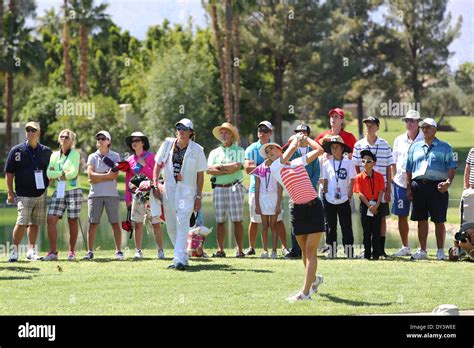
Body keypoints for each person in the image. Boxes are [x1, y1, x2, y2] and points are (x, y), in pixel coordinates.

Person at [260, 133, 325, 302]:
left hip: (314, 208)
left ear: (279, 149)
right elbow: (291, 150)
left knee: (310, 251)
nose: (269, 152)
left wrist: (306, 138)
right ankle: (315, 280)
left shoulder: (297, 162)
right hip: (298, 211)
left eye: (271, 148)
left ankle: (305, 293)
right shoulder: (275, 168)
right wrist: (296, 141)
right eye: (267, 152)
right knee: (304, 251)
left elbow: (319, 150)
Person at [153, 118, 207, 270]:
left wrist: (198, 196)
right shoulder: (167, 144)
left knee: (182, 222)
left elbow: (201, 175)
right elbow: (158, 165)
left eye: (184, 129)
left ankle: (178, 260)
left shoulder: (197, 150)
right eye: (179, 128)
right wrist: (155, 183)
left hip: (187, 192)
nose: (181, 131)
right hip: (169, 189)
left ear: (191, 132)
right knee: (171, 225)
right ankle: (182, 256)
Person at [406, 118, 457, 260]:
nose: (425, 129)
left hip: (438, 187)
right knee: (421, 219)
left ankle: (440, 251)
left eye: (428, 127)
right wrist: (408, 187)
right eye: (423, 127)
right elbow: (408, 169)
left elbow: (451, 167)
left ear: (435, 129)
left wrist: (448, 183)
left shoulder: (445, 147)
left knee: (439, 220)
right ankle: (422, 250)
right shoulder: (415, 147)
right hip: (418, 186)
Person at [5, 122, 52, 262]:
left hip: (40, 193)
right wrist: (10, 192)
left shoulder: (46, 151)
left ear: (38, 133)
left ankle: (31, 251)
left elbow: (51, 169)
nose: (30, 132)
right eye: (28, 130)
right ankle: (14, 251)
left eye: (33, 130)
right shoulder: (16, 150)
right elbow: (9, 172)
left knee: (34, 223)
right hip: (23, 193)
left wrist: (49, 182)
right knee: (21, 222)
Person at [243, 121, 289, 256]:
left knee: (278, 220)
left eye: (265, 130)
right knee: (255, 220)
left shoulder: (276, 148)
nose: (262, 133)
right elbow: (248, 169)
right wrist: (266, 165)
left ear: (270, 133)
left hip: (274, 191)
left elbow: (281, 167)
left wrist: (261, 166)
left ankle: (284, 248)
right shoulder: (251, 149)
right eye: (260, 130)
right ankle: (252, 248)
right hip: (256, 190)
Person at [353, 116, 395, 258]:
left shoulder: (384, 144)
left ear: (377, 127)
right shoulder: (359, 144)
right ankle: (367, 250)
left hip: (380, 189)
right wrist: (362, 184)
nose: (368, 127)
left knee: (381, 218)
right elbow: (356, 167)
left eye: (371, 124)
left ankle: (380, 249)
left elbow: (389, 168)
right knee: (366, 219)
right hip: (366, 190)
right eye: (366, 124)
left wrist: (388, 189)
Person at [42, 129, 82, 261]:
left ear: (72, 141)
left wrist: (57, 172)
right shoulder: (54, 155)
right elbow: (49, 173)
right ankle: (53, 252)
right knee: (51, 219)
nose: (64, 139)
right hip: (59, 190)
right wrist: (62, 173)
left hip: (73, 190)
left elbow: (73, 173)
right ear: (59, 139)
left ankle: (71, 252)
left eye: (67, 137)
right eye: (62, 137)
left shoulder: (75, 154)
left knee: (72, 220)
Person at [207, 122, 246, 258]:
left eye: (226, 132)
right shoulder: (214, 152)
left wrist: (220, 168)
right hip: (219, 189)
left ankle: (240, 250)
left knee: (237, 220)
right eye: (221, 133)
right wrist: (226, 169)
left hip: (235, 187)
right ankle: (220, 250)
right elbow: (210, 170)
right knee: (220, 221)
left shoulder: (240, 151)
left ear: (231, 135)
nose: (223, 135)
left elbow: (237, 167)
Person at [84, 131, 123, 260]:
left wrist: (97, 177)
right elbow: (90, 175)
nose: (100, 140)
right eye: (98, 138)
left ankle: (118, 251)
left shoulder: (116, 156)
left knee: (115, 223)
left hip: (111, 194)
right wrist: (106, 176)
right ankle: (89, 252)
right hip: (95, 195)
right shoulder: (92, 157)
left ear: (109, 142)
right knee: (92, 223)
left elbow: (115, 175)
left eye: (103, 138)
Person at [125, 131, 165, 260]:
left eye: (137, 140)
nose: (134, 143)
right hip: (137, 195)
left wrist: (144, 165)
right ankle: (138, 251)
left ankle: (160, 251)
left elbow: (156, 176)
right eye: (132, 141)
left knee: (155, 223)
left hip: (151, 193)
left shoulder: (151, 156)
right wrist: (127, 199)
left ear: (143, 142)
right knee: (137, 223)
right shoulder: (129, 160)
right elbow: (128, 181)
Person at [284, 124, 321, 259]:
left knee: (311, 222)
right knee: (296, 222)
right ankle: (295, 250)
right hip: (295, 192)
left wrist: (307, 186)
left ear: (308, 134)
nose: (300, 134)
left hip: (310, 192)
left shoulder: (313, 150)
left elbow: (316, 172)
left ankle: (308, 249)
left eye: (303, 132)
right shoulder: (292, 152)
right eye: (298, 132)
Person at [391, 110, 424, 257]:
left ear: (418, 123)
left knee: (420, 216)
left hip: (418, 184)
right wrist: (392, 177)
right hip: (400, 183)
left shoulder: (424, 139)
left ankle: (422, 249)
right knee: (401, 215)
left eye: (412, 121)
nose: (409, 123)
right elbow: (393, 161)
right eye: (407, 121)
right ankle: (405, 247)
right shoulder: (398, 140)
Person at [320, 135, 355, 258]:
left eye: (337, 147)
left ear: (342, 149)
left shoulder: (349, 163)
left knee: (346, 226)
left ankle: (349, 252)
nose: (334, 150)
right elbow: (325, 181)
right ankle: (331, 251)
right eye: (332, 148)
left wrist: (350, 194)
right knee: (330, 226)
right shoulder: (326, 163)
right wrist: (325, 194)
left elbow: (352, 180)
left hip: (344, 198)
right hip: (329, 199)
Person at [353, 150, 385, 260]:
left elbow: (381, 191)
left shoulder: (380, 176)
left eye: (368, 161)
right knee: (366, 232)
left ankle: (376, 254)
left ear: (374, 163)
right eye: (363, 161)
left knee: (376, 231)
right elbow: (360, 193)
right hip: (365, 204)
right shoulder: (358, 177)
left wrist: (376, 206)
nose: (365, 163)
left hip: (377, 204)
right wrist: (369, 206)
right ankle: (367, 255)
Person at [253, 158, 284, 259]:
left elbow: (280, 188)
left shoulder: (277, 168)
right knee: (265, 226)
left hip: (274, 198)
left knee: (273, 225)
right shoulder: (259, 169)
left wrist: (279, 203)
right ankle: (265, 250)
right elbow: (257, 188)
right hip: (263, 198)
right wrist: (257, 204)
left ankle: (274, 251)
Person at [461, 148, 474, 224]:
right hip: (471, 191)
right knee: (468, 222)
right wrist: (466, 189)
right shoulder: (472, 151)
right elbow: (467, 171)